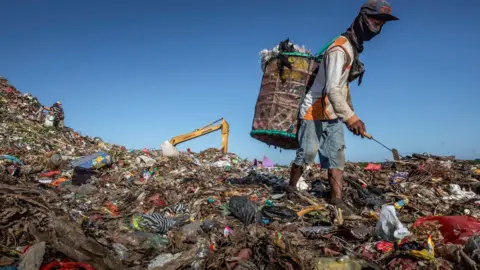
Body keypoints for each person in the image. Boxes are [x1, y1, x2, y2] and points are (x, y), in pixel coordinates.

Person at [288, 0, 399, 218]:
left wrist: (349, 114)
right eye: (375, 21)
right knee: (308, 152)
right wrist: (351, 118)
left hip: (333, 112)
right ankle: (291, 188)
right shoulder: (339, 49)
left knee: (337, 155)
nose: (378, 27)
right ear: (362, 20)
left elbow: (343, 88)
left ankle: (337, 201)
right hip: (314, 110)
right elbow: (331, 89)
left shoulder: (353, 49)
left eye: (382, 23)